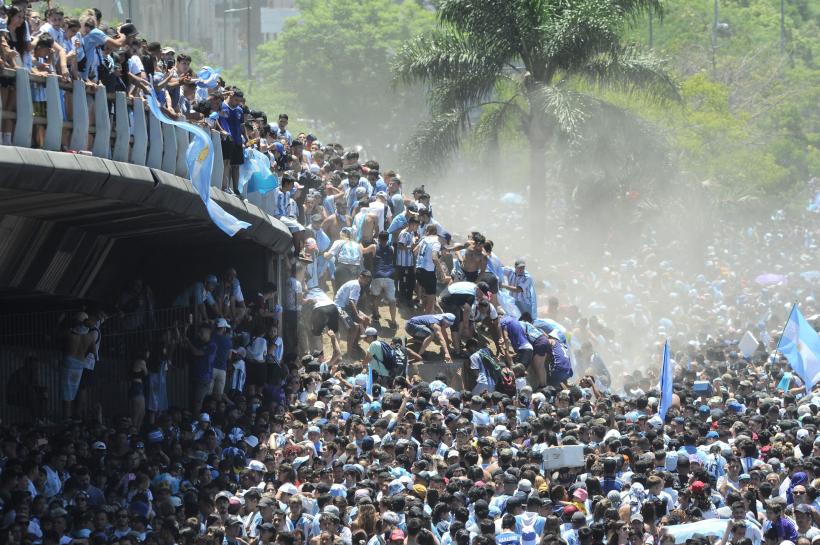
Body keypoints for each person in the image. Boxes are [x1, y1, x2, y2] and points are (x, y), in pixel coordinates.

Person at [334, 271, 372, 357]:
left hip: (346, 307)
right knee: (354, 327)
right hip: (340, 308)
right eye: (365, 280)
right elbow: (351, 302)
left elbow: (353, 303)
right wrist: (357, 316)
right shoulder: (356, 285)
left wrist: (359, 315)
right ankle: (349, 353)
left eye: (367, 281)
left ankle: (355, 345)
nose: (366, 282)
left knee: (366, 320)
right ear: (360, 276)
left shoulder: (356, 284)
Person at [370, 231, 397, 327]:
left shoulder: (374, 247)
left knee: (375, 296)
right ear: (387, 239)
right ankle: (393, 321)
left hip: (377, 275)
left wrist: (360, 244)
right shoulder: (392, 248)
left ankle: (376, 316)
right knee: (392, 301)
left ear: (379, 238)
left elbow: (363, 250)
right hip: (389, 276)